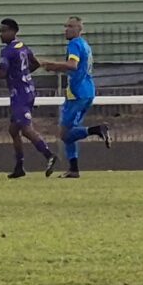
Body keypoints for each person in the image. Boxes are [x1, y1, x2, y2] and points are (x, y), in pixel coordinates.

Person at [34, 15, 110, 179]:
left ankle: (97, 130)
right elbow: (76, 67)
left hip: (77, 94)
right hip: (86, 92)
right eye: (65, 26)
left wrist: (49, 63)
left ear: (79, 29)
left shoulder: (74, 44)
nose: (66, 29)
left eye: (70, 26)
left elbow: (72, 65)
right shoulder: (84, 44)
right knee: (70, 133)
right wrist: (54, 67)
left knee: (65, 134)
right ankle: (73, 169)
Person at [0, 18, 57, 178]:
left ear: (13, 31)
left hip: (20, 94)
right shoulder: (22, 46)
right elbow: (35, 63)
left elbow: (1, 74)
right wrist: (23, 74)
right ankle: (19, 167)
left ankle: (49, 155)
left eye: (4, 31)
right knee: (13, 130)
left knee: (26, 129)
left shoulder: (7, 51)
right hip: (28, 90)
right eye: (0, 31)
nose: (1, 34)